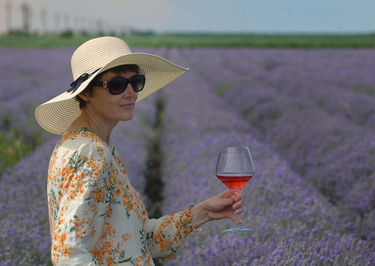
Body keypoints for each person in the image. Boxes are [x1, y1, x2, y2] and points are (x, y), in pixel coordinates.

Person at [35, 36, 243, 265]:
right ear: (85, 93)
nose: (131, 93)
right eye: (116, 85)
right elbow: (69, 253)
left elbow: (135, 241)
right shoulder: (91, 153)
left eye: (135, 81)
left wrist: (202, 212)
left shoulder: (88, 145)